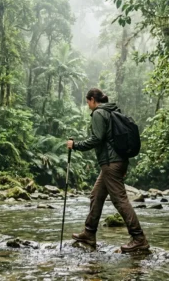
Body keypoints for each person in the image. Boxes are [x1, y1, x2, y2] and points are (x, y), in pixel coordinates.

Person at [66, 88, 149, 253]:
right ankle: (89, 233)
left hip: (111, 163)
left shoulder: (99, 113)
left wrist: (75, 145)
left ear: (92, 100)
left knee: (120, 200)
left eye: (87, 102)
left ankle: (139, 239)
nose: (88, 105)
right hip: (116, 162)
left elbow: (97, 138)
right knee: (96, 195)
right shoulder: (112, 111)